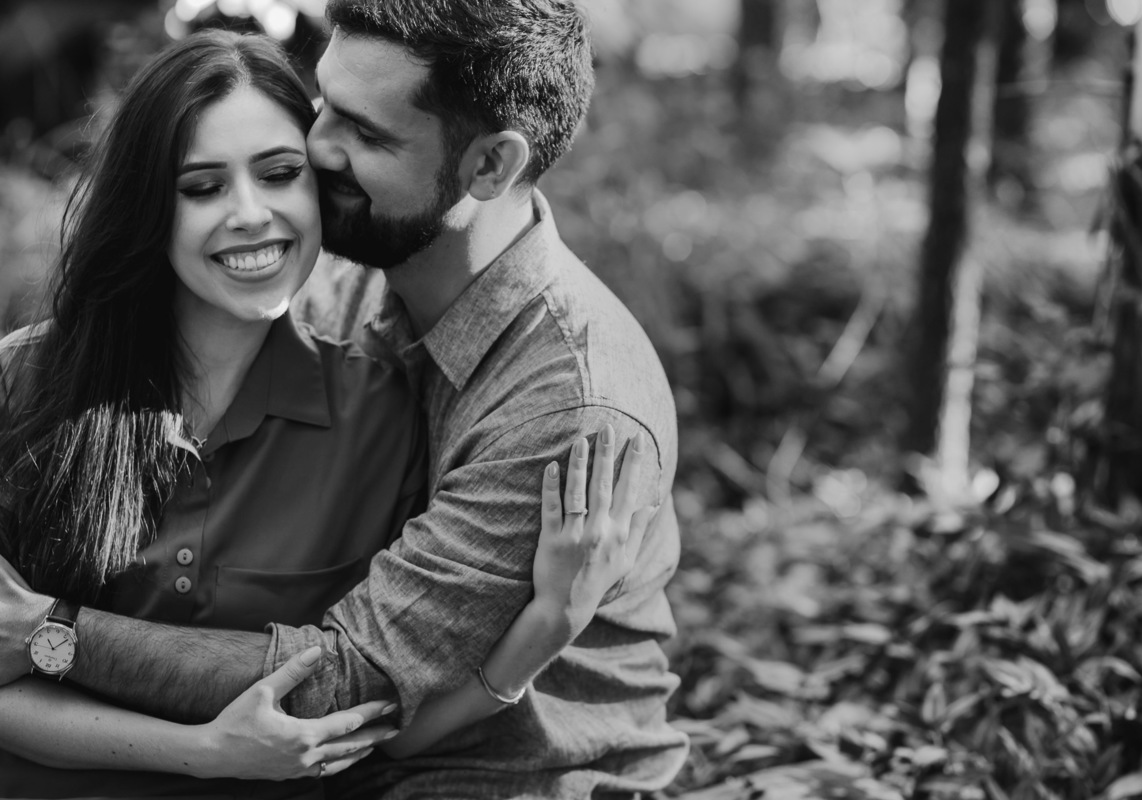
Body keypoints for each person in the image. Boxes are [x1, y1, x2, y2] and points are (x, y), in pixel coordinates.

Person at [0, 1, 691, 796]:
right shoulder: (358, 274)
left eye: (367, 134)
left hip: (515, 776)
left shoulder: (565, 406)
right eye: (324, 103)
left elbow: (347, 687)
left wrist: (48, 634)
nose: (317, 144)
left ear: (489, 168)